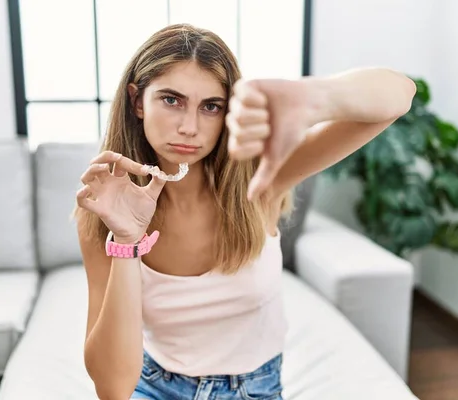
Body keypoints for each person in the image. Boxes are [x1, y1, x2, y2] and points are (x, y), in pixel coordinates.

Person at [74, 23, 416, 400]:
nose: (189, 127)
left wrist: (311, 96)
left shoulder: (261, 183)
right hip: (155, 387)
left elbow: (400, 94)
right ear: (138, 101)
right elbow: (113, 389)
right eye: (171, 100)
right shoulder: (106, 212)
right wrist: (127, 240)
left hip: (255, 390)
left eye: (211, 107)